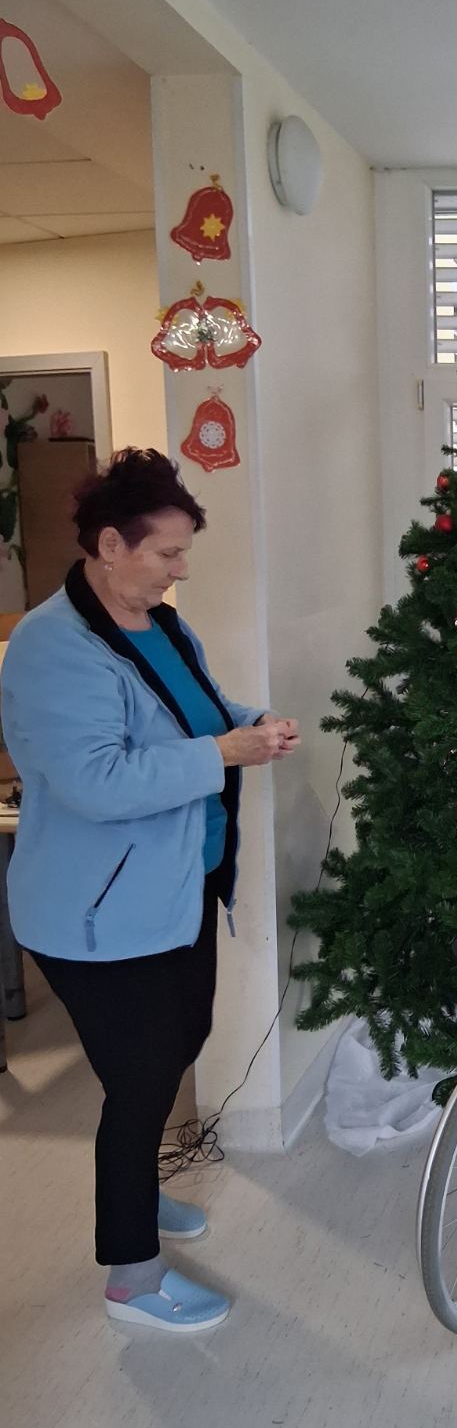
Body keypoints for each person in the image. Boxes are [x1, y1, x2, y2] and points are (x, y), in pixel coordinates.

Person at [1, 449, 300, 1334]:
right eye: (167, 553)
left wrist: (246, 723)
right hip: (95, 915)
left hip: (176, 893)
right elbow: (94, 781)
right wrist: (222, 754)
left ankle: (131, 1186)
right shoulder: (52, 648)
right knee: (139, 1085)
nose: (180, 570)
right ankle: (131, 1277)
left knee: (179, 1046)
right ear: (109, 545)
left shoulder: (160, 624)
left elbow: (193, 712)